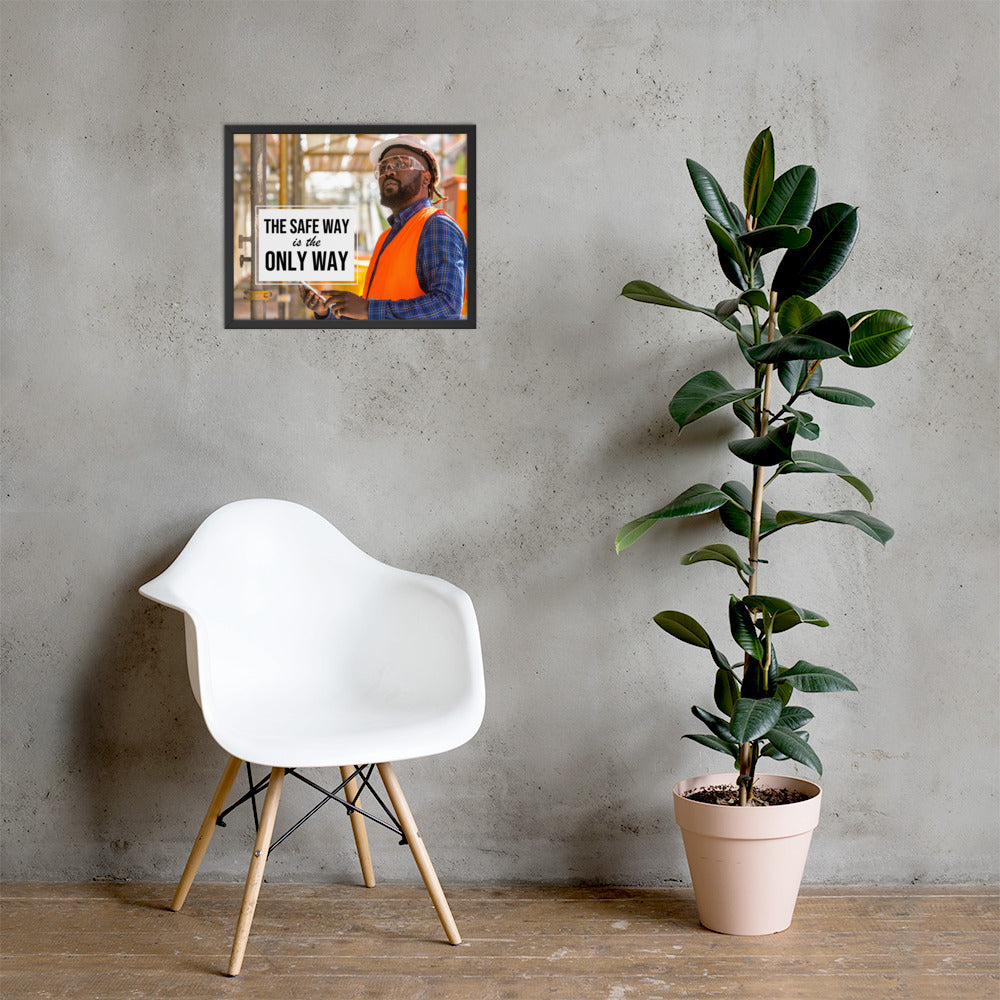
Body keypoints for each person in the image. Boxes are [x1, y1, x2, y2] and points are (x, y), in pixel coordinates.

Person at [299, 135, 467, 321]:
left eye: (401, 164)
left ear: (426, 178)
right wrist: (325, 313)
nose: (389, 172)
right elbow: (370, 315)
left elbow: (447, 307)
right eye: (384, 167)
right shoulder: (387, 237)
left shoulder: (436, 226)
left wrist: (368, 309)